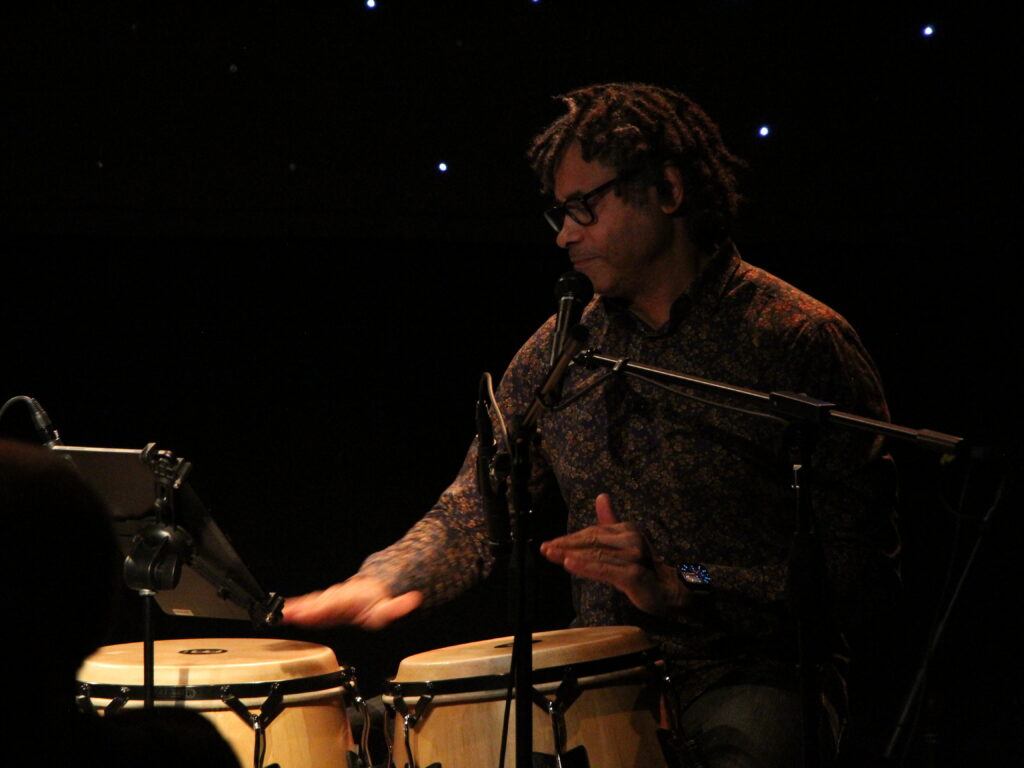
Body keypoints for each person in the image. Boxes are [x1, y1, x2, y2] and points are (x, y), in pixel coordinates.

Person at [285, 82, 899, 766]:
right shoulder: (562, 353)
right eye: (559, 213)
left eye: (585, 206)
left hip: (756, 674)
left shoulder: (794, 339)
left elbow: (862, 573)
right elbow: (475, 509)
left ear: (667, 190)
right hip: (603, 683)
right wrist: (383, 578)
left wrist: (686, 581)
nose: (565, 234)